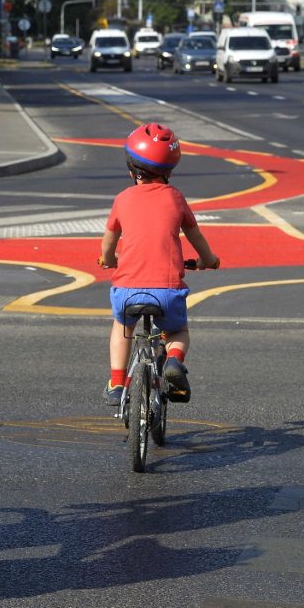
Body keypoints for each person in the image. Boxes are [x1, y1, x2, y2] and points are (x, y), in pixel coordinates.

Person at [99, 123, 219, 406]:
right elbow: (195, 236)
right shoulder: (175, 197)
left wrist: (108, 260)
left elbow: (108, 241)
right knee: (178, 331)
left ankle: (117, 383)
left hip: (126, 290)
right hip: (167, 292)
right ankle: (174, 361)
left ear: (132, 169)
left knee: (122, 326)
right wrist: (208, 260)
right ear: (170, 170)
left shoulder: (123, 198)